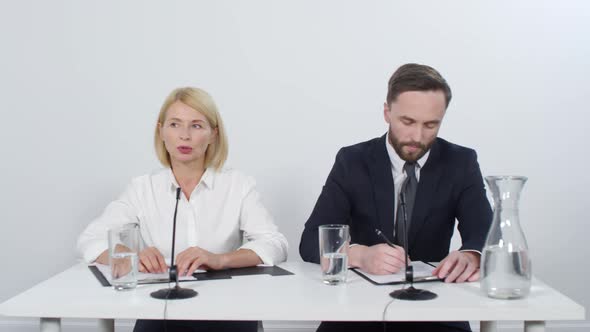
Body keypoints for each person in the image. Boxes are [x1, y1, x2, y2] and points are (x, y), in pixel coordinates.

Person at [299, 63, 492, 332]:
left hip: (435, 311)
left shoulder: (461, 162)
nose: (417, 137)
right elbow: (310, 241)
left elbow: (486, 232)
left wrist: (472, 255)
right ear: (387, 112)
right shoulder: (352, 161)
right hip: (357, 312)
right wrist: (360, 255)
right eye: (408, 122)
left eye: (431, 125)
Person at [77, 87, 288, 332]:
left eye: (197, 126)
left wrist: (220, 259)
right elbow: (90, 239)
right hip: (160, 309)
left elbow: (275, 244)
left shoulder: (238, 184)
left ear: (212, 135)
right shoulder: (142, 188)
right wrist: (127, 255)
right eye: (175, 124)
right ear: (161, 131)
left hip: (229, 309)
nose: (184, 136)